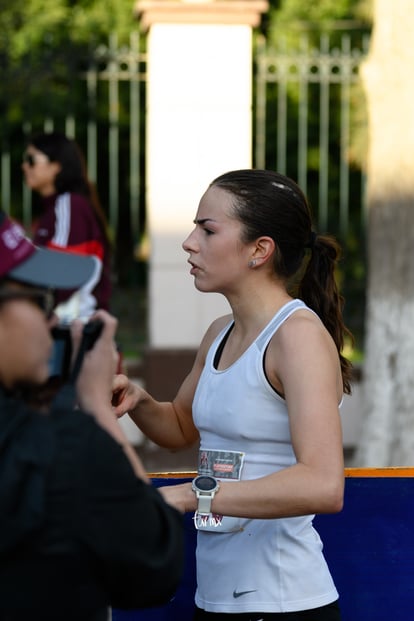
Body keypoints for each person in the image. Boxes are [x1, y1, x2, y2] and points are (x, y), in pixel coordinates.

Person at [112, 169, 354, 620]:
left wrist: (190, 495)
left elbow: (323, 485)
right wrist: (139, 401)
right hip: (218, 601)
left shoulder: (297, 337)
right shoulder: (220, 332)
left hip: (283, 604)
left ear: (259, 250)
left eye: (207, 229)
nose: (189, 242)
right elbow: (181, 426)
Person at [0, 211, 184, 621]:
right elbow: (153, 564)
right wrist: (97, 408)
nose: (52, 320)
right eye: (39, 300)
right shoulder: (63, 446)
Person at [22, 131, 112, 319]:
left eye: (31, 160)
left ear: (56, 166)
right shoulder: (56, 208)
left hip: (73, 327)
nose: (24, 166)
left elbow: (63, 269)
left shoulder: (69, 204)